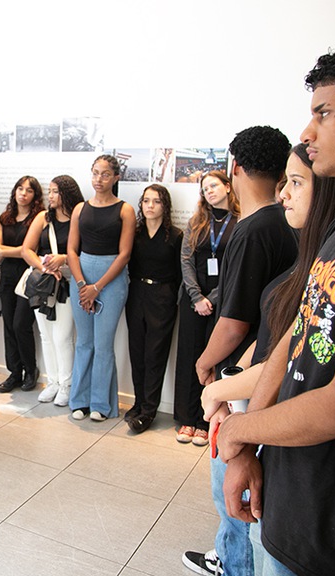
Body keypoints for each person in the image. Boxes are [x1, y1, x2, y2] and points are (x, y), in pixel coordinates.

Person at [215, 36, 335, 576]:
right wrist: (248, 445)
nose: (307, 133)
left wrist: (237, 430)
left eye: (324, 113)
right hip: (289, 493)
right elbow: (294, 339)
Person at [183, 143, 335, 576]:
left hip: (294, 446)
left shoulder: (263, 233)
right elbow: (279, 345)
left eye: (296, 184)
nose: (285, 195)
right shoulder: (309, 258)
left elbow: (333, 393)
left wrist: (222, 388)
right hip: (259, 412)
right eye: (284, 183)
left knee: (252, 528)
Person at [189, 125, 296, 576]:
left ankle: (234, 565)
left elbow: (234, 324)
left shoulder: (253, 230)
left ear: (234, 167)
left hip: (246, 375)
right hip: (268, 368)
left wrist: (206, 361)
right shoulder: (285, 223)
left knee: (232, 487)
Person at [67, 154, 136, 422]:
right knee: (84, 342)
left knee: (103, 345)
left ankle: (100, 403)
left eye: (105, 174)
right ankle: (79, 400)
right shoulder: (79, 209)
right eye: (95, 173)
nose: (99, 179)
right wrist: (84, 284)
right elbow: (72, 251)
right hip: (81, 277)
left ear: (116, 177)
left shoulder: (125, 210)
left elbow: (125, 254)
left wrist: (97, 287)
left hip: (112, 280)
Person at [174, 171, 240, 446]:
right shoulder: (197, 221)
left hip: (223, 301)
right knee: (189, 357)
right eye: (205, 188)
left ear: (227, 186)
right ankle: (187, 419)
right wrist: (196, 296)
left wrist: (211, 297)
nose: (209, 191)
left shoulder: (240, 222)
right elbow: (186, 260)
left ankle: (205, 420)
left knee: (212, 360)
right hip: (193, 301)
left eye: (214, 185)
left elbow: (235, 267)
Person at [21, 175, 85, 406]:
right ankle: (53, 382)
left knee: (63, 337)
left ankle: (66, 385)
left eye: (55, 191)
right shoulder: (43, 218)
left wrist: (64, 259)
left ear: (67, 193)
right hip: (44, 282)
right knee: (45, 336)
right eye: (50, 191)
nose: (50, 196)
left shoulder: (79, 216)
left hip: (67, 282)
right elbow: (26, 250)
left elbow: (85, 251)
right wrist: (46, 267)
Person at [124, 184, 183, 434]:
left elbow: (182, 273)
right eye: (146, 201)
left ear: (165, 206)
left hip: (163, 295)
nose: (150, 206)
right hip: (136, 292)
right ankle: (138, 402)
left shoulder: (176, 235)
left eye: (156, 201)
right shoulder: (134, 233)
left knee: (155, 354)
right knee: (136, 351)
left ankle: (149, 410)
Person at [0, 175, 44, 393]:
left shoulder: (39, 218)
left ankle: (30, 370)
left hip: (28, 277)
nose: (23, 193)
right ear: (14, 192)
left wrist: (11, 251)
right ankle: (14, 372)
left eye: (29, 190)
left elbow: (28, 251)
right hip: (7, 276)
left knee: (20, 324)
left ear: (35, 196)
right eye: (20, 189)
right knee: (8, 325)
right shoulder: (5, 217)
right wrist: (15, 251)